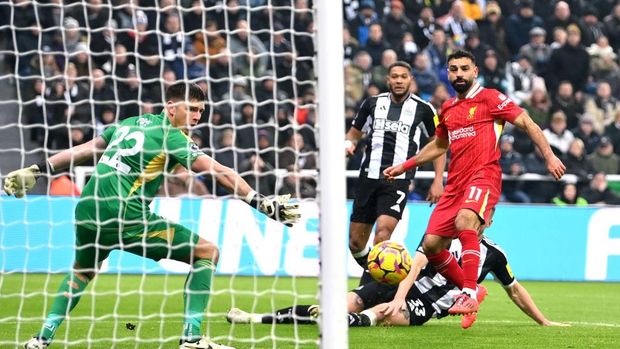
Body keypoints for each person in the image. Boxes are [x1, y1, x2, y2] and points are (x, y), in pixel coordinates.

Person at [4, 82, 300, 349]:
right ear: (171, 107)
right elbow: (218, 171)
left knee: (82, 271)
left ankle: (40, 339)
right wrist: (260, 202)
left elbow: (89, 148)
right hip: (124, 214)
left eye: (201, 111)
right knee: (206, 252)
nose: (197, 116)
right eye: (192, 109)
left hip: (87, 209)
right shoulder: (171, 136)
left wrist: (38, 170)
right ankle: (192, 339)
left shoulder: (130, 123)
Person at [383, 50, 565, 323]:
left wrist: (549, 156)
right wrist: (405, 165)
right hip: (455, 184)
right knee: (432, 246)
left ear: (475, 71)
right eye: (453, 69)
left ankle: (467, 291)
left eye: (464, 68)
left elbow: (527, 122)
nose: (459, 74)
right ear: (447, 72)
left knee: (465, 220)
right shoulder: (448, 108)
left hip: (483, 175)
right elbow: (440, 146)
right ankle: (473, 288)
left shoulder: (490, 98)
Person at [226, 209, 568, 329]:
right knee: (339, 305)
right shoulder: (441, 235)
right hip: (403, 283)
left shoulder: (493, 254)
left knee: (383, 315)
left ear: (488, 219)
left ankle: (366, 318)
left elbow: (515, 290)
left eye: (482, 217)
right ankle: (254, 319)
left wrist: (544, 320)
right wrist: (398, 294)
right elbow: (417, 262)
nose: (476, 220)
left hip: (430, 302)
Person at [344, 61, 445, 285]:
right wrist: (349, 144)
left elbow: (438, 145)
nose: (399, 81)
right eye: (395, 77)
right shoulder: (371, 104)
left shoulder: (424, 109)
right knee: (355, 244)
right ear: (388, 80)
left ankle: (368, 290)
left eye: (403, 77)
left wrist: (438, 179)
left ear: (411, 80)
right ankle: (382, 278)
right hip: (367, 179)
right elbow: (353, 134)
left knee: (383, 234)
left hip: (397, 181)